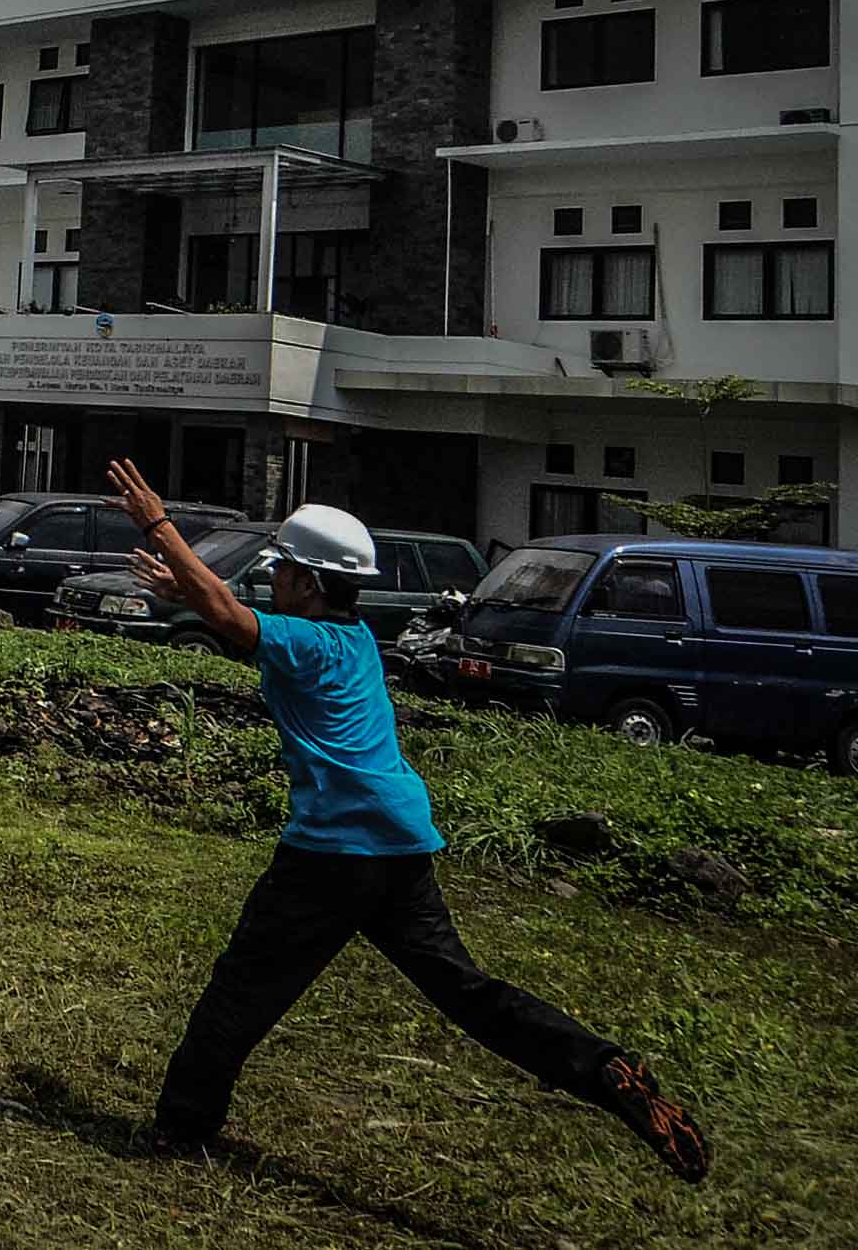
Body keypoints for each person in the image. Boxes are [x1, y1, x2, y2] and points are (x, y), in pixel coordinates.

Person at [106, 457, 709, 1183]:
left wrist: (160, 525)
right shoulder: (354, 640)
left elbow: (239, 621)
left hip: (331, 852)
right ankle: (603, 1066)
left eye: (285, 571)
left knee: (242, 987)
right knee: (468, 990)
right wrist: (192, 592)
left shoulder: (308, 642)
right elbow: (241, 620)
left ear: (309, 581)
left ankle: (181, 1128)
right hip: (401, 843)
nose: (275, 580)